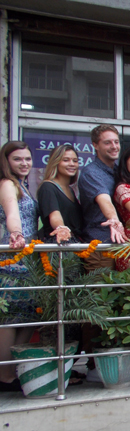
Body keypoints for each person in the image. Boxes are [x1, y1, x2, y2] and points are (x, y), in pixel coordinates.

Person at [0, 141, 38, 390]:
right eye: (17, 159)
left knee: (26, 319)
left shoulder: (24, 186)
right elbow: (12, 213)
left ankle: (13, 372)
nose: (24, 163)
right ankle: (4, 376)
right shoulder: (7, 185)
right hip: (12, 260)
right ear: (6, 162)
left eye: (27, 158)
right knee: (10, 322)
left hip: (28, 261)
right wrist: (16, 233)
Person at [78, 124, 126, 270]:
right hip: (100, 247)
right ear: (95, 145)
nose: (114, 146)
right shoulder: (91, 173)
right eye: (107, 142)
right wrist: (114, 221)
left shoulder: (120, 172)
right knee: (102, 291)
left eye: (116, 142)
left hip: (122, 245)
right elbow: (104, 200)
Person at [37, 145, 84, 243]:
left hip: (74, 244)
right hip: (58, 245)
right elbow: (55, 216)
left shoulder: (70, 190)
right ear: (56, 162)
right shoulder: (48, 187)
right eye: (66, 160)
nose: (72, 164)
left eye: (75, 161)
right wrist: (61, 229)